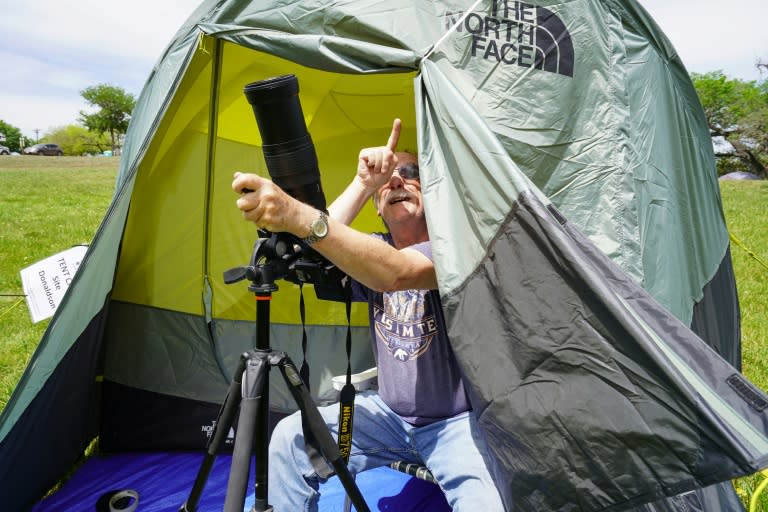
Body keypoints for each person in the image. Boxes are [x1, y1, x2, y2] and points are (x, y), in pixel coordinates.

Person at [232, 118, 505, 511]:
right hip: (387, 417)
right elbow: (313, 251)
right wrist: (363, 183)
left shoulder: (456, 250)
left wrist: (294, 213)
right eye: (388, 182)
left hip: (457, 425)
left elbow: (395, 272)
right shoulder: (370, 253)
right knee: (291, 437)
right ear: (378, 210)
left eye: (411, 174)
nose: (397, 182)